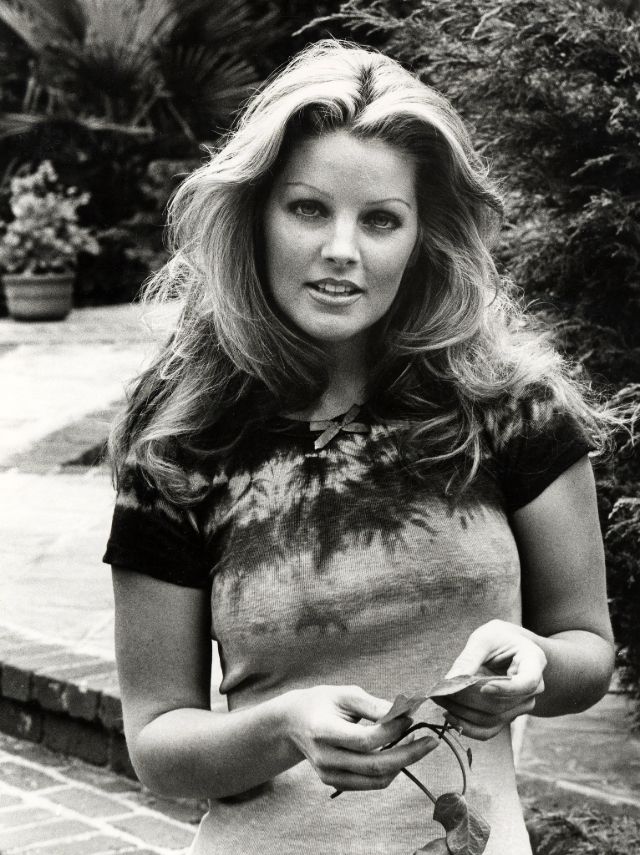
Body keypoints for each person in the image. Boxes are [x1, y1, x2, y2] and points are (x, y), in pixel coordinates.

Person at [103, 40, 615, 855]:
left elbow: (588, 650)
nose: (342, 248)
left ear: (422, 234)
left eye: (380, 219)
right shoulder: (184, 437)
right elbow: (158, 741)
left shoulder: (507, 406)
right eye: (309, 209)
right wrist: (281, 726)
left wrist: (535, 663)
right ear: (256, 212)